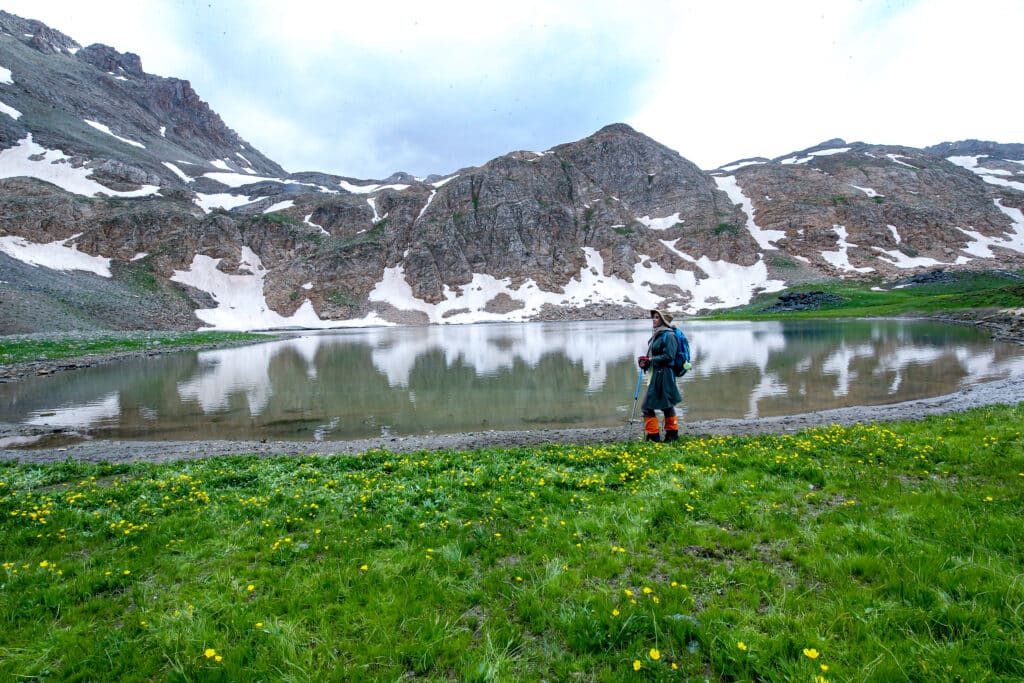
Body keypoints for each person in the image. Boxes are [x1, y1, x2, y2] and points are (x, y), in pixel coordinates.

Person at [637, 308, 682, 442]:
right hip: (658, 374)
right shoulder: (659, 334)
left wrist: (651, 360)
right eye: (654, 317)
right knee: (666, 405)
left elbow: (669, 356)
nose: (654, 319)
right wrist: (646, 363)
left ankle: (653, 436)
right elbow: (657, 356)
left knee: (647, 406)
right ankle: (671, 434)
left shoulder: (669, 335)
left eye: (657, 317)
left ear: (663, 321)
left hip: (665, 375)